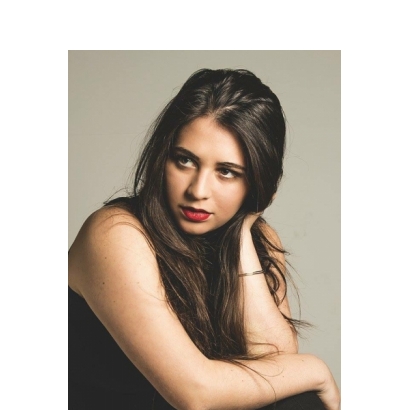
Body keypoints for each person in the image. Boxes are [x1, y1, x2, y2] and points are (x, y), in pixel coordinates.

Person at [68, 68, 340, 410]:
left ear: (259, 182)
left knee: (296, 402)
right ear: (162, 157)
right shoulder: (115, 234)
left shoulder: (258, 239)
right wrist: (316, 370)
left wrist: (242, 235)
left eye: (226, 172)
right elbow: (196, 394)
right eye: (184, 160)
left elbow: (275, 362)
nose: (197, 190)